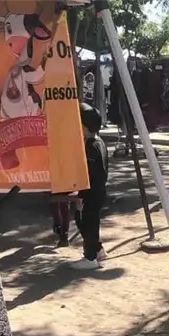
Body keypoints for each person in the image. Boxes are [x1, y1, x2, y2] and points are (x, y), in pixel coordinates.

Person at [70, 102, 109, 270]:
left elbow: (91, 174)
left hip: (92, 192)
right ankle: (98, 249)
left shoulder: (90, 147)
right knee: (87, 221)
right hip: (97, 191)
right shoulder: (98, 141)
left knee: (87, 221)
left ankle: (90, 257)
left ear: (84, 126)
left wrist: (81, 194)